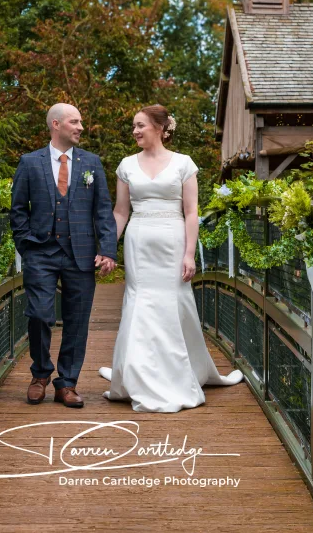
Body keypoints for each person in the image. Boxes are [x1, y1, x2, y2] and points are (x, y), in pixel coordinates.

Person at [99, 104, 243, 412]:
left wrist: (190, 254)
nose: (135, 131)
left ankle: (181, 372)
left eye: (140, 125)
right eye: (133, 127)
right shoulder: (126, 165)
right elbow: (121, 212)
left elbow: (192, 212)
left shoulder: (183, 164)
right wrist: (108, 247)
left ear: (159, 127)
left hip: (173, 241)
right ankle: (137, 375)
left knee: (172, 303)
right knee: (140, 303)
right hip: (138, 243)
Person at [9, 103, 118, 408]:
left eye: (81, 121)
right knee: (40, 314)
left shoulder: (91, 164)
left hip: (80, 254)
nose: (81, 127)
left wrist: (107, 250)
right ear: (55, 124)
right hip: (40, 253)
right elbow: (17, 211)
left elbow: (102, 211)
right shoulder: (30, 163)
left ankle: (66, 383)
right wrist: (26, 245)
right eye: (75, 122)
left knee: (77, 320)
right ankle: (40, 374)